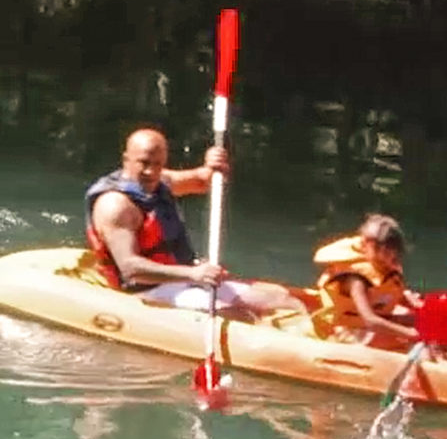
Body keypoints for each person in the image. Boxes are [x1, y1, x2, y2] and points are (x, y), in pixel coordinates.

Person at [84, 127, 297, 319]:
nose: (150, 171)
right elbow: (131, 269)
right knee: (242, 317)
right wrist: (194, 273)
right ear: (126, 160)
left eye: (157, 164)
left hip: (181, 276)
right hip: (146, 289)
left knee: (282, 300)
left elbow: (202, 181)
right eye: (144, 163)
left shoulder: (161, 181)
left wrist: (213, 163)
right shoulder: (115, 206)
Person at [311, 214, 420, 342]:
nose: (387, 258)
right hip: (343, 328)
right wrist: (411, 334)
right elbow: (370, 320)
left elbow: (387, 295)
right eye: (379, 250)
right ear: (364, 245)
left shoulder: (388, 267)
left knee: (417, 319)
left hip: (373, 320)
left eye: (392, 252)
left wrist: (413, 303)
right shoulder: (355, 279)